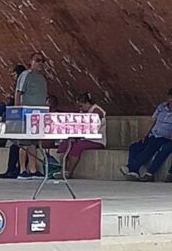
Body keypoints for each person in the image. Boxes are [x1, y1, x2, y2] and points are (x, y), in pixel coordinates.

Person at [120, 89, 172, 182]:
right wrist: (145, 134)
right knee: (134, 146)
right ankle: (134, 172)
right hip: (153, 135)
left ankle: (130, 167)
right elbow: (152, 121)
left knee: (151, 147)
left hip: (164, 138)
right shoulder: (161, 107)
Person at [56, 93, 107, 177]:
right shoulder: (83, 111)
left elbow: (91, 126)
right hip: (83, 138)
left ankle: (69, 172)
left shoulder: (97, 111)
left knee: (77, 147)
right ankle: (62, 170)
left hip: (96, 141)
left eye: (81, 106)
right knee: (65, 145)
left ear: (87, 103)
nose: (80, 108)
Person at [15, 52, 48, 180]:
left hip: (39, 114)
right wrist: (18, 111)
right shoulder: (26, 75)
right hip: (26, 112)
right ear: (31, 62)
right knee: (24, 142)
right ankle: (22, 169)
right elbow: (18, 92)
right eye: (37, 60)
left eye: (43, 61)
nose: (40, 63)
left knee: (33, 142)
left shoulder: (42, 78)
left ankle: (33, 169)